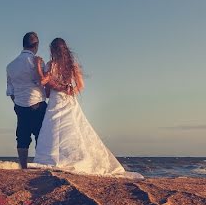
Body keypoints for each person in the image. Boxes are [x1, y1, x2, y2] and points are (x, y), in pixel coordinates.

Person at [32, 38, 141, 178]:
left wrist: (50, 81)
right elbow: (79, 87)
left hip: (59, 100)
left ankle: (58, 160)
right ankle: (68, 159)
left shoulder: (53, 65)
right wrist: (67, 90)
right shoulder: (68, 66)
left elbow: (49, 89)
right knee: (70, 131)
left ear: (53, 50)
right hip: (65, 100)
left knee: (59, 130)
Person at [5, 32, 47, 169]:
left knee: (22, 136)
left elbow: (10, 90)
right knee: (41, 135)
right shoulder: (38, 62)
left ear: (23, 44)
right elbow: (44, 82)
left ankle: (23, 167)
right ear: (36, 45)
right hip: (38, 103)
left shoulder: (10, 66)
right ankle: (41, 164)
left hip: (19, 105)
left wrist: (18, 103)